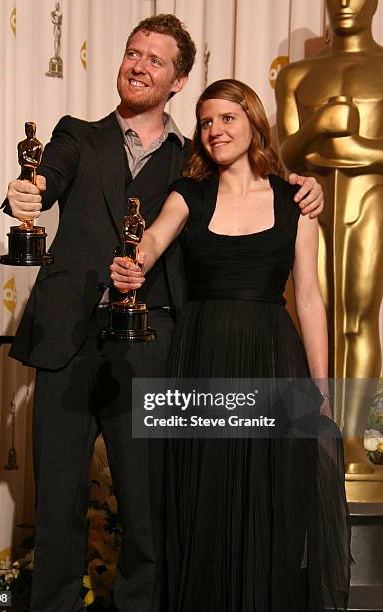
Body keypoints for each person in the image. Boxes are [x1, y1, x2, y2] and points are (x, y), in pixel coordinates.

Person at [3, 14, 325, 612]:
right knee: (56, 508)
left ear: (177, 81)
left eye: (155, 59)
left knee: (150, 514)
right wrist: (27, 192)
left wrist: (305, 186)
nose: (138, 65)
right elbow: (43, 178)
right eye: (132, 52)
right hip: (66, 341)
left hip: (155, 344)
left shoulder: (193, 159)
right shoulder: (78, 133)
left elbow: (249, 184)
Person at [111, 79, 350, 612]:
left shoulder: (294, 201)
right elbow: (149, 241)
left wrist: (321, 389)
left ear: (253, 124)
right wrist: (132, 264)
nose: (215, 130)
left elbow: (309, 300)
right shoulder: (189, 194)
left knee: (269, 501)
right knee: (205, 500)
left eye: (227, 118)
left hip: (272, 360)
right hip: (202, 361)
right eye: (205, 121)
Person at [275, 0, 383, 474]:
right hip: (306, 206)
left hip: (370, 198)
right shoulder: (296, 75)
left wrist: (352, 146)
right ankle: (312, 431)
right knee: (305, 317)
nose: (343, 3)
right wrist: (320, 125)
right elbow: (285, 155)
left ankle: (354, 442)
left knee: (357, 319)